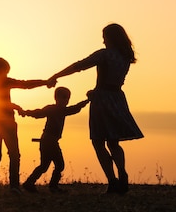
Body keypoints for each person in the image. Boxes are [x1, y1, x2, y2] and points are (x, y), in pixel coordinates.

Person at [48, 23, 144, 194]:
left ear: (110, 37)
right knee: (114, 142)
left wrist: (56, 75)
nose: (102, 40)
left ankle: (112, 180)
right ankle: (122, 175)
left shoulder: (105, 55)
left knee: (98, 141)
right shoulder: (125, 57)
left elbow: (79, 66)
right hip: (117, 98)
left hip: (102, 100)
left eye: (104, 36)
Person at [0, 57, 51, 193]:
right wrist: (45, 82)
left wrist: (44, 82)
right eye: (6, 71)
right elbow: (25, 85)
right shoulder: (5, 81)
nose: (7, 74)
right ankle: (13, 186)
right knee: (14, 154)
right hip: (7, 123)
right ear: (2, 70)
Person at [20, 87, 89, 193]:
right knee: (59, 164)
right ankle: (52, 187)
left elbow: (75, 108)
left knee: (44, 166)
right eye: (64, 98)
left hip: (47, 141)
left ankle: (30, 183)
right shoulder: (52, 109)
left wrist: (87, 101)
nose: (66, 100)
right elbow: (39, 113)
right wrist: (26, 112)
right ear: (57, 98)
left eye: (68, 98)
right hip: (49, 141)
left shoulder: (63, 110)